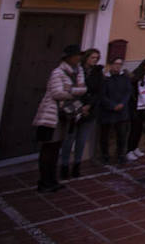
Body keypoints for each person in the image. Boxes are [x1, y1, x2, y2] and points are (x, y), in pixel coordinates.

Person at [32, 44, 87, 193]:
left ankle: (52, 179)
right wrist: (75, 93)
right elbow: (56, 93)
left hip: (66, 115)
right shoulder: (58, 72)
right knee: (48, 148)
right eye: (76, 55)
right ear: (68, 57)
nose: (79, 58)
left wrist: (72, 91)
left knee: (56, 148)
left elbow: (83, 89)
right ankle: (44, 181)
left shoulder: (78, 71)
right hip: (51, 115)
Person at [59, 48, 101, 179]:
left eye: (96, 58)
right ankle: (64, 166)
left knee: (82, 140)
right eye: (93, 57)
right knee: (69, 139)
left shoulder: (98, 72)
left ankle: (77, 166)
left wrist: (89, 106)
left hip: (90, 110)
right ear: (86, 58)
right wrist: (81, 106)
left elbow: (99, 91)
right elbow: (72, 89)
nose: (95, 60)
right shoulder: (76, 72)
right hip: (75, 110)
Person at [99, 57, 131, 164]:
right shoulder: (105, 78)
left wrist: (122, 103)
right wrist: (112, 105)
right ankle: (105, 155)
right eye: (116, 64)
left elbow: (128, 92)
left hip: (122, 111)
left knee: (121, 135)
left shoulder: (125, 78)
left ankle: (121, 154)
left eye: (120, 64)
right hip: (107, 111)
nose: (117, 66)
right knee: (105, 135)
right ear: (111, 65)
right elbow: (102, 95)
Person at [127, 58, 145, 161]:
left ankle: (135, 148)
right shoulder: (136, 76)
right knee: (134, 129)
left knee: (139, 129)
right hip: (136, 106)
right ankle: (129, 150)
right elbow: (132, 90)